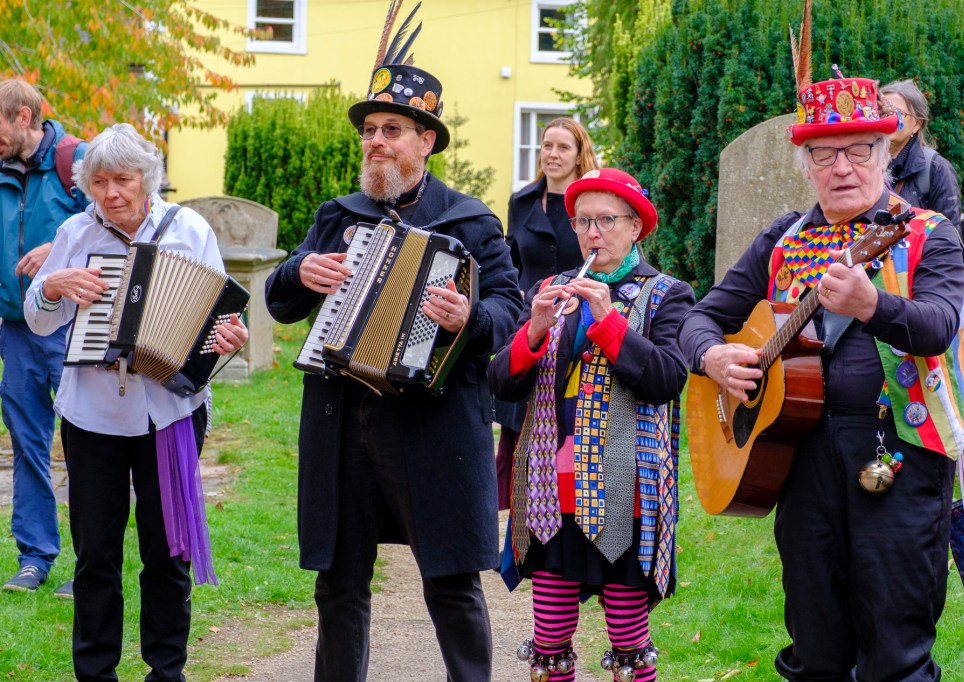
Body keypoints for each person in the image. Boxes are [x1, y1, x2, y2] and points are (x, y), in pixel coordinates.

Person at [678, 9, 964, 679]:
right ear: (806, 164)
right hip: (799, 455)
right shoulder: (783, 239)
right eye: (824, 154)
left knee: (896, 649)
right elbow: (702, 317)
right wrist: (713, 357)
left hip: (897, 453)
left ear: (886, 153)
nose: (842, 167)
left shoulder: (927, 235)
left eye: (859, 150)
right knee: (815, 644)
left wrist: (874, 305)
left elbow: (937, 326)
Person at [263, 15, 522, 681]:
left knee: (451, 582)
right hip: (343, 422)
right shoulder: (338, 216)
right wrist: (299, 272)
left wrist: (469, 316)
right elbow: (280, 301)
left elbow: (510, 311)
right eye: (369, 131)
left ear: (425, 142)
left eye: (391, 130)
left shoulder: (470, 222)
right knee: (339, 583)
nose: (375, 141)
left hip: (432, 425)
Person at [23, 122, 248, 681]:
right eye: (99, 183)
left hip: (169, 413)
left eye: (121, 180)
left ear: (146, 178)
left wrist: (230, 336)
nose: (110, 193)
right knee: (95, 556)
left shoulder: (188, 230)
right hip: (92, 417)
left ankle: (166, 672)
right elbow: (37, 318)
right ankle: (95, 673)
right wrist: (51, 287)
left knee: (167, 553)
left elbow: (222, 313)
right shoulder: (75, 233)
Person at [490, 168, 693, 682]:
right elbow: (501, 382)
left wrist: (608, 321)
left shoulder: (667, 294)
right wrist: (534, 330)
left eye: (606, 220)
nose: (592, 233)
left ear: (635, 227)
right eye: (582, 222)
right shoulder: (550, 289)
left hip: (628, 490)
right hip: (551, 490)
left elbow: (666, 380)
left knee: (628, 638)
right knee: (549, 636)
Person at [0, 77, 87, 595]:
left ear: (23, 117)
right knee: (27, 443)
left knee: (85, 445)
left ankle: (89, 562)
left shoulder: (78, 162)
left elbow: (115, 225)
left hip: (71, 328)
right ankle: (34, 557)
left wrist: (58, 248)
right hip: (16, 332)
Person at [496, 118, 599, 509]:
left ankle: (561, 498)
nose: (552, 154)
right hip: (530, 320)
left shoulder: (590, 204)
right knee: (519, 420)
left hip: (577, 322)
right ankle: (518, 506)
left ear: (579, 155)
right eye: (547, 145)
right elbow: (511, 260)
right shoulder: (521, 201)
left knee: (562, 416)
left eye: (563, 147)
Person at [881, 79, 964, 238]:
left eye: (897, 113)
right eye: (882, 113)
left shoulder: (937, 169)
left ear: (917, 124)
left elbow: (949, 239)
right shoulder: (863, 165)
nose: (888, 119)